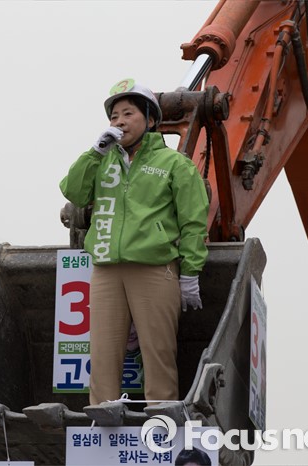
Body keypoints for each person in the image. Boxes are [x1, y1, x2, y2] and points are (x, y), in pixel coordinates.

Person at [59, 78, 209, 405]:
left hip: (155, 269)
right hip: (106, 270)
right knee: (102, 355)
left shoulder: (175, 164)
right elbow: (73, 191)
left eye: (128, 114)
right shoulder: (102, 162)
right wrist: (94, 153)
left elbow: (194, 221)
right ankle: (103, 419)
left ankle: (161, 419)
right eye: (114, 117)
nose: (120, 122)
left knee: (158, 354)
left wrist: (190, 272)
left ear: (151, 120)